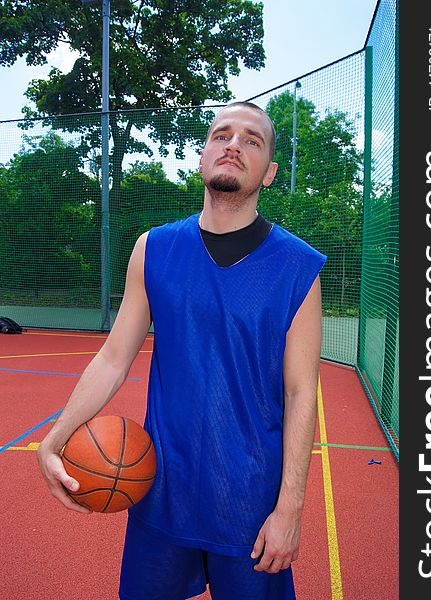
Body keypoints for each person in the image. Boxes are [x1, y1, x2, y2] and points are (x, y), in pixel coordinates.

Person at [37, 101, 327, 600]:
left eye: (252, 140)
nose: (234, 144)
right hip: (163, 491)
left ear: (271, 173)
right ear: (202, 156)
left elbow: (302, 391)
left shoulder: (298, 266)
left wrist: (290, 509)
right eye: (222, 135)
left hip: (250, 500)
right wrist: (54, 438)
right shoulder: (154, 249)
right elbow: (112, 358)